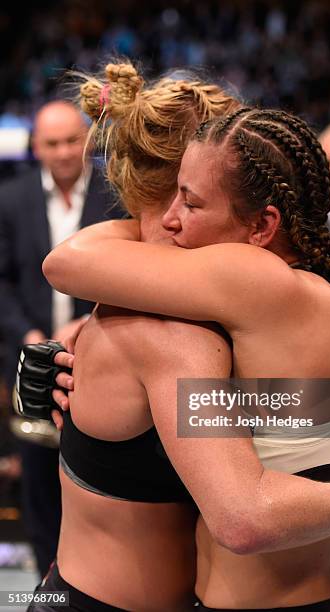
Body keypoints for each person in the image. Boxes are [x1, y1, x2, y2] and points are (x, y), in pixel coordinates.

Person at [39, 79, 330, 612]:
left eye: (193, 202)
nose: (175, 220)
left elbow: (248, 512)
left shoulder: (230, 299)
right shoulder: (204, 317)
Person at [0, 100, 122, 577]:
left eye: (73, 140)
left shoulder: (116, 196)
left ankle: (87, 585)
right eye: (53, 143)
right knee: (38, 488)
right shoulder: (11, 199)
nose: (65, 151)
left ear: (88, 141)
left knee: (93, 481)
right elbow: (3, 280)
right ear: (36, 147)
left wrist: (85, 326)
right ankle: (48, 592)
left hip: (99, 357)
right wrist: (29, 335)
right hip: (29, 362)